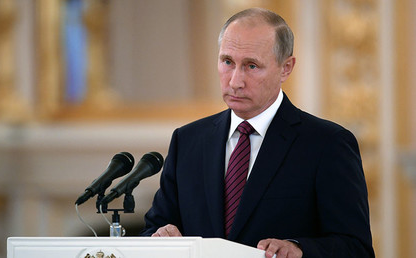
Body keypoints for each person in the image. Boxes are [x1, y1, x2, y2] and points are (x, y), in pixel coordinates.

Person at [140, 7, 374, 258]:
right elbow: (155, 229)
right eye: (227, 62)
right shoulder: (187, 140)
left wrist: (299, 249)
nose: (235, 81)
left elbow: (355, 248)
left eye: (251, 66)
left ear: (285, 68)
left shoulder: (328, 144)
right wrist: (160, 238)